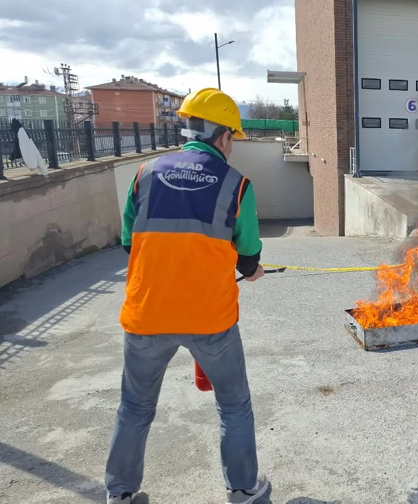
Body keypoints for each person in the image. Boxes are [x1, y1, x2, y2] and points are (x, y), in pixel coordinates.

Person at [105, 88, 270, 504]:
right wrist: (251, 271)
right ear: (221, 136)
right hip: (209, 320)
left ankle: (120, 495)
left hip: (146, 315)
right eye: (232, 136)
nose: (232, 145)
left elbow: (130, 242)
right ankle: (244, 490)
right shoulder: (236, 184)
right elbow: (248, 253)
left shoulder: (144, 174)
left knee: (134, 409)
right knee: (234, 406)